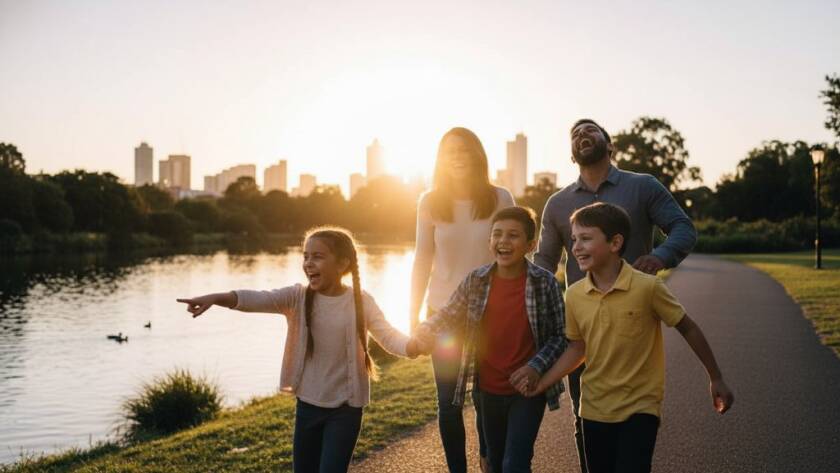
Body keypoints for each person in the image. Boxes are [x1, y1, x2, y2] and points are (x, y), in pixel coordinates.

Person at [177, 227, 424, 473]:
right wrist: (214, 298)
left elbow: (388, 336)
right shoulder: (297, 297)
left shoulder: (361, 301)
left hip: (346, 410)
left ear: (342, 264)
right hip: (307, 406)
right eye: (305, 256)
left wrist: (412, 346)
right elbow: (256, 298)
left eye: (317, 256)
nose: (308, 263)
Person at [534, 118, 697, 472]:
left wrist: (660, 257)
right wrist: (536, 308)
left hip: (633, 320)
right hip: (583, 322)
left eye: (591, 129)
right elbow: (544, 261)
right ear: (571, 153)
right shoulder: (557, 204)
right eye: (574, 132)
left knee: (635, 416)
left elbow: (683, 228)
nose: (581, 134)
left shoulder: (643, 187)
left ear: (610, 145)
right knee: (586, 415)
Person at [524, 202, 733, 473]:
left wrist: (715, 376)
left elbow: (688, 328)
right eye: (574, 239)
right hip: (594, 408)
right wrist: (542, 383)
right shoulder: (574, 295)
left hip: (640, 406)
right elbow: (577, 349)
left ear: (615, 243)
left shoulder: (648, 287)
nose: (575, 247)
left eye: (586, 238)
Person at [411, 206, 567, 473]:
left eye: (513, 236)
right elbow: (448, 314)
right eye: (497, 234)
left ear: (530, 244)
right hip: (487, 390)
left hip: (528, 390)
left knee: (514, 463)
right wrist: (423, 329)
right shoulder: (476, 280)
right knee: (493, 462)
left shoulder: (546, 283)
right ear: (489, 241)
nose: (503, 241)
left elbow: (559, 336)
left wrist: (535, 367)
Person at [410, 127, 515, 472]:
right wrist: (413, 318)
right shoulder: (429, 201)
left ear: (477, 155)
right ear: (440, 158)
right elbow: (422, 258)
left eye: (464, 149)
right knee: (448, 403)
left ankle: (489, 461)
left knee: (486, 397)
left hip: (492, 313)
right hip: (443, 314)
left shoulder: (500, 198)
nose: (457, 156)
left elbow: (512, 253)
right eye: (449, 151)